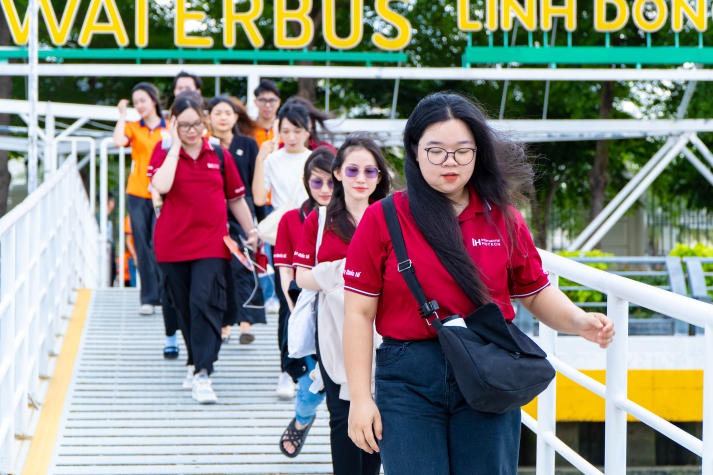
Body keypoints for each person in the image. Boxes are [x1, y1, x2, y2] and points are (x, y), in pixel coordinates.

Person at [342, 92, 616, 474]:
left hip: (488, 369)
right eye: (435, 150)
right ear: (415, 151)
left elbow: (534, 291)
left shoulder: (503, 219)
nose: (449, 162)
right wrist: (359, 398)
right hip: (408, 377)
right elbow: (358, 310)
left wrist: (578, 321)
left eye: (462, 151)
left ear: (478, 153)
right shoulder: (383, 218)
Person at [148, 93, 258, 404]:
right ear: (173, 124)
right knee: (183, 306)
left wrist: (251, 230)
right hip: (172, 245)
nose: (191, 130)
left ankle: (203, 371)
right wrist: (174, 146)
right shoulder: (163, 151)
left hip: (211, 243)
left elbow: (236, 198)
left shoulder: (219, 155)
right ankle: (194, 360)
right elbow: (162, 187)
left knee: (204, 302)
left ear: (204, 121)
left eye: (196, 123)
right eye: (184, 125)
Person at [293, 133, 391, 475]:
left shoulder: (391, 218)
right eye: (352, 171)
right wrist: (339, 271)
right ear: (337, 173)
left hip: (382, 326)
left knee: (379, 408)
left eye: (369, 171)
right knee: (340, 412)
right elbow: (300, 276)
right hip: (334, 328)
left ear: (379, 176)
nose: (361, 179)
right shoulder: (319, 221)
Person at [274, 147, 334, 457]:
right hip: (308, 310)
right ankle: (302, 418)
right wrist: (302, 317)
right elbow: (288, 278)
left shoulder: (357, 216)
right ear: (306, 182)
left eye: (330, 182)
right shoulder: (291, 220)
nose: (325, 190)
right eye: (317, 182)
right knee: (313, 386)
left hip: (350, 312)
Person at [252, 101, 313, 398]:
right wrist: (261, 160)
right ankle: (287, 369)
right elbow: (258, 196)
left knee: (312, 303)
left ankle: (310, 363)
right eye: (285, 130)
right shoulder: (273, 159)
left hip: (313, 235)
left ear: (307, 130)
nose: (290, 136)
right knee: (288, 304)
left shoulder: (316, 159)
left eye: (296, 130)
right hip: (285, 236)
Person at [207, 95, 266, 344]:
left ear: (235, 117)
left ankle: (245, 324)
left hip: (242, 211)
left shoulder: (248, 144)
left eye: (227, 113)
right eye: (217, 112)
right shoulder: (206, 145)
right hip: (213, 213)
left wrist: (257, 221)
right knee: (217, 269)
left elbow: (256, 181)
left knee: (244, 266)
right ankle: (223, 325)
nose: (223, 117)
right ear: (208, 117)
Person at [112, 82, 166, 315]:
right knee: (142, 245)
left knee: (159, 243)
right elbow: (118, 141)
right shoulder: (134, 127)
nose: (140, 106)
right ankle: (149, 297)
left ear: (154, 100)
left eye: (143, 100)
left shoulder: (168, 128)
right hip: (136, 193)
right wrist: (122, 115)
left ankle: (165, 294)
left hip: (161, 193)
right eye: (136, 103)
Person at [252, 79, 281, 148]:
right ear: (255, 102)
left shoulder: (284, 129)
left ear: (279, 102)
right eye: (263, 100)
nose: (267, 105)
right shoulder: (249, 128)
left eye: (272, 100)